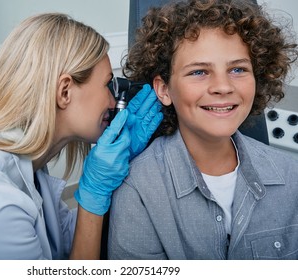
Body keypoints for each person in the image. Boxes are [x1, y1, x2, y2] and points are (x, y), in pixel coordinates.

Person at [0, 13, 163, 260]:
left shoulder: (29, 164)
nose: (113, 100)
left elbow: (65, 242)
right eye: (108, 85)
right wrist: (94, 191)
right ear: (64, 91)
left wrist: (114, 175)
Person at [108, 0, 298, 259]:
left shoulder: (292, 175)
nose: (222, 86)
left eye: (238, 69)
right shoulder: (139, 190)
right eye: (199, 72)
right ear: (164, 89)